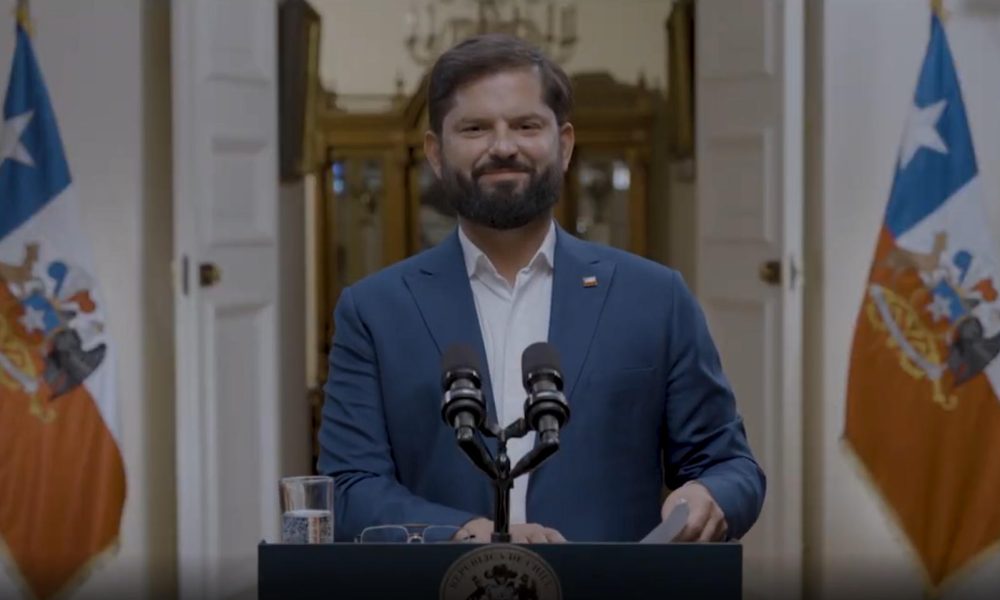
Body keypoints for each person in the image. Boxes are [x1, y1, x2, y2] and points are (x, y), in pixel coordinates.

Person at [318, 33, 765, 544]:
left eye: (526, 125)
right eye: (476, 128)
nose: (503, 146)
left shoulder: (655, 296)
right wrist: (462, 533)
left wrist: (710, 495)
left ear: (565, 145)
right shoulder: (375, 310)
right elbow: (349, 485)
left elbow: (732, 467)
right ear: (436, 154)